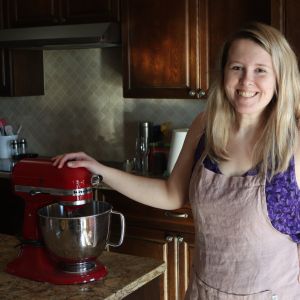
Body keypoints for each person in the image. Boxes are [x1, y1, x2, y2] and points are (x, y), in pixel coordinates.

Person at [53, 22, 300, 299]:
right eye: (236, 68)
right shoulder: (206, 126)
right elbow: (171, 194)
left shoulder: (293, 144)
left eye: (260, 70)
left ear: (280, 77)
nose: (246, 81)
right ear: (223, 73)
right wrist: (100, 170)